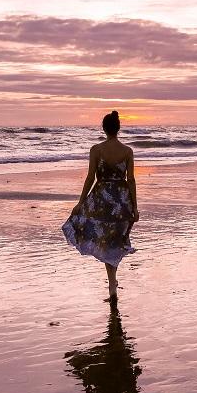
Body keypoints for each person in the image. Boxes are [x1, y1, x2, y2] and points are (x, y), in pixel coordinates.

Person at [63, 111, 139, 303]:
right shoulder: (127, 151)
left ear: (103, 128)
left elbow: (91, 178)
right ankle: (112, 284)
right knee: (114, 242)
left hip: (102, 201)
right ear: (118, 129)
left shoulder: (96, 150)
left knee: (106, 242)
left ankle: (112, 286)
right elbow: (131, 180)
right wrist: (135, 207)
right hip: (121, 202)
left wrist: (81, 202)